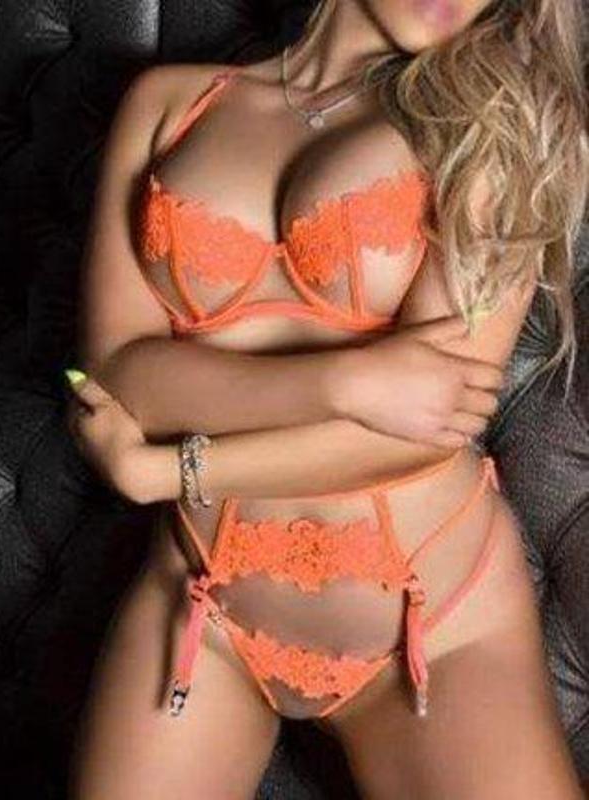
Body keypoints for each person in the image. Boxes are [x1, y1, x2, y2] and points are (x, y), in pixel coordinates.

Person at [66, 0, 589, 797]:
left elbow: (424, 428)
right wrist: (346, 380)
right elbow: (117, 368)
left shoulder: (490, 124)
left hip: (430, 627)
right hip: (206, 606)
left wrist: (168, 473)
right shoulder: (169, 104)